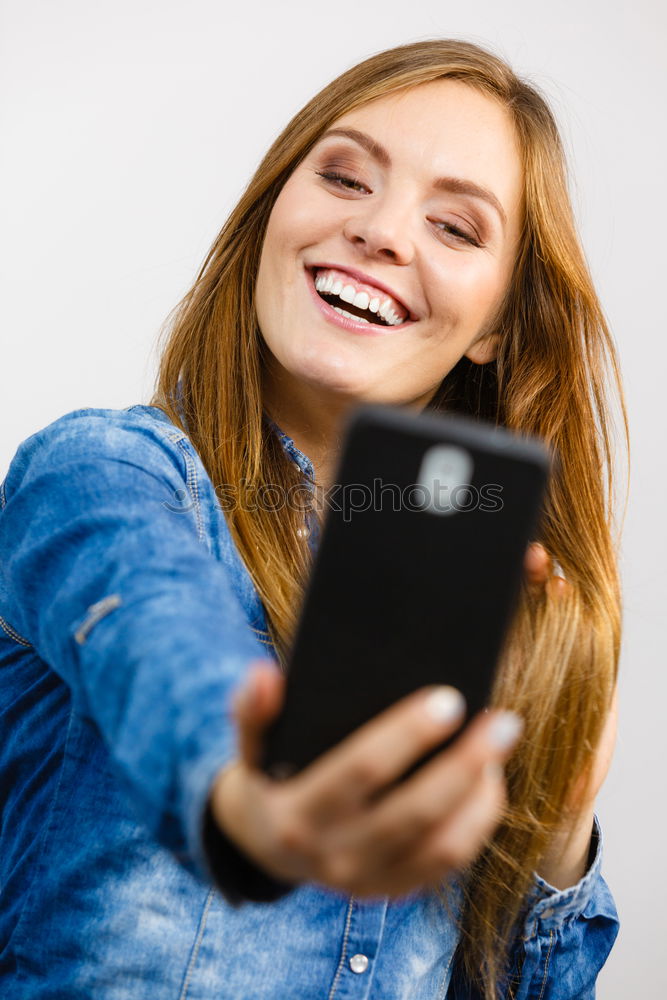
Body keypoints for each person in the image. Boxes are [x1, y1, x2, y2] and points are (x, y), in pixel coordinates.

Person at [0, 38, 624, 1000]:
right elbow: (164, 650)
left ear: (496, 326)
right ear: (270, 216)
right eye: (343, 176)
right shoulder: (107, 474)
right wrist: (247, 804)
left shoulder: (486, 601)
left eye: (455, 227)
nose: (379, 231)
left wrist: (559, 831)